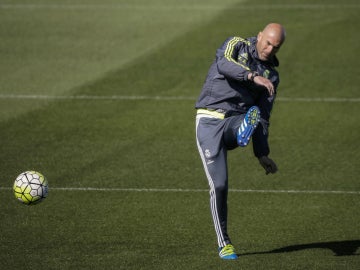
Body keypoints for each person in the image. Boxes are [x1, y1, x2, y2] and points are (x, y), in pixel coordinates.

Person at [195, 23, 286, 260]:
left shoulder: (272, 76)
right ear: (259, 36)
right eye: (267, 42)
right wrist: (251, 76)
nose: (269, 49)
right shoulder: (236, 45)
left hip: (235, 121)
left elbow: (264, 117)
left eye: (275, 47)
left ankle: (244, 128)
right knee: (220, 186)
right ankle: (224, 243)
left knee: (252, 119)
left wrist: (262, 153)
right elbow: (224, 64)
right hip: (209, 120)